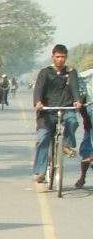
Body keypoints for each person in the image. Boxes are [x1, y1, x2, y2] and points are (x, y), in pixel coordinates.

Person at [32, 44, 84, 183]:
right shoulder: (45, 72)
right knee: (42, 138)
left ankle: (66, 144)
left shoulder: (71, 72)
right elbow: (38, 89)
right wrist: (38, 102)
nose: (60, 59)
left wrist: (77, 100)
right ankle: (40, 172)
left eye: (62, 57)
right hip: (47, 111)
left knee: (73, 122)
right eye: (57, 57)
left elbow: (75, 87)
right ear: (53, 57)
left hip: (66, 108)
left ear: (66, 57)